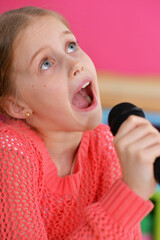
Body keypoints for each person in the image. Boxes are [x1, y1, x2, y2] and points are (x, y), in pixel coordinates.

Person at [0, 6, 159, 240]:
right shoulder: (10, 154)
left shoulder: (105, 144)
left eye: (71, 46)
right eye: (46, 63)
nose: (75, 64)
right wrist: (129, 194)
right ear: (17, 105)